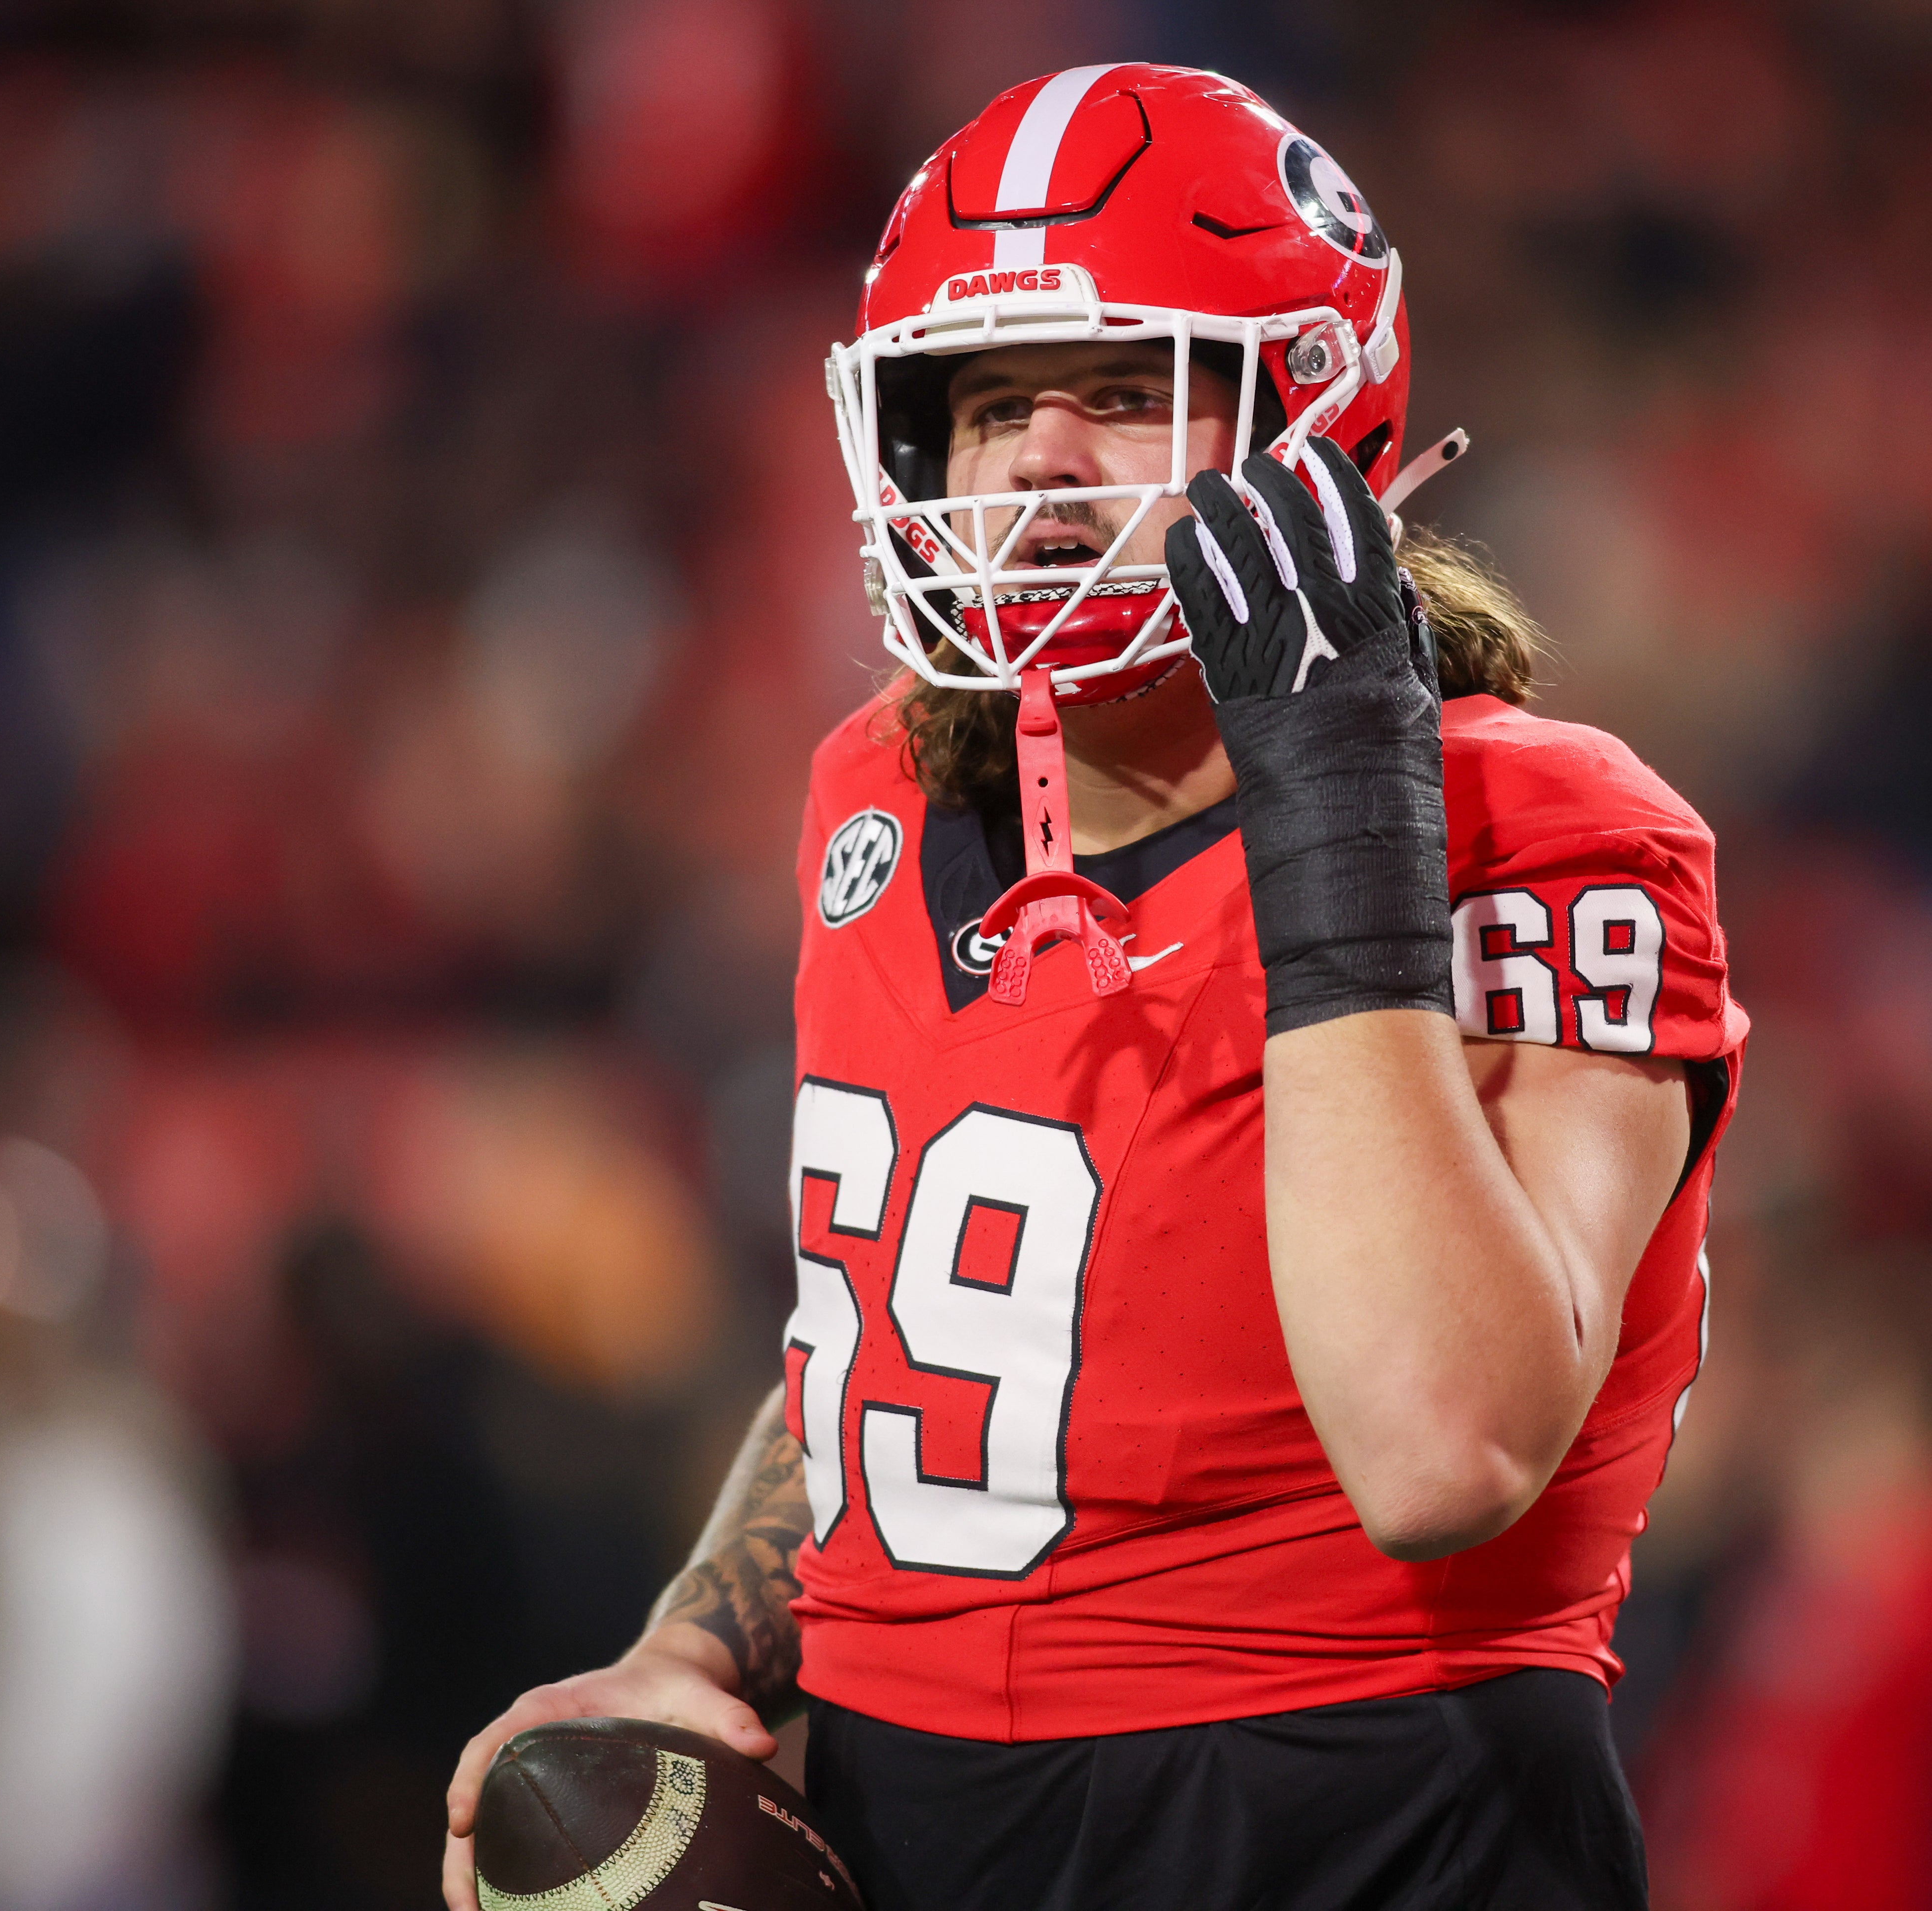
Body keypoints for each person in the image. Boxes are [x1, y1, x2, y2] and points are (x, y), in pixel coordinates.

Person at [446, 64, 1743, 1909]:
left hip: (1360, 1816)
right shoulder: (880, 790)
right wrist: (698, 1648)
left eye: (1126, 394)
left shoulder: (1533, 818)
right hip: (923, 1826)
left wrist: (1340, 827)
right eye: (983, 406)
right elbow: (906, 1341)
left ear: (1305, 414)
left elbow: (1446, 1441)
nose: (1036, 459)